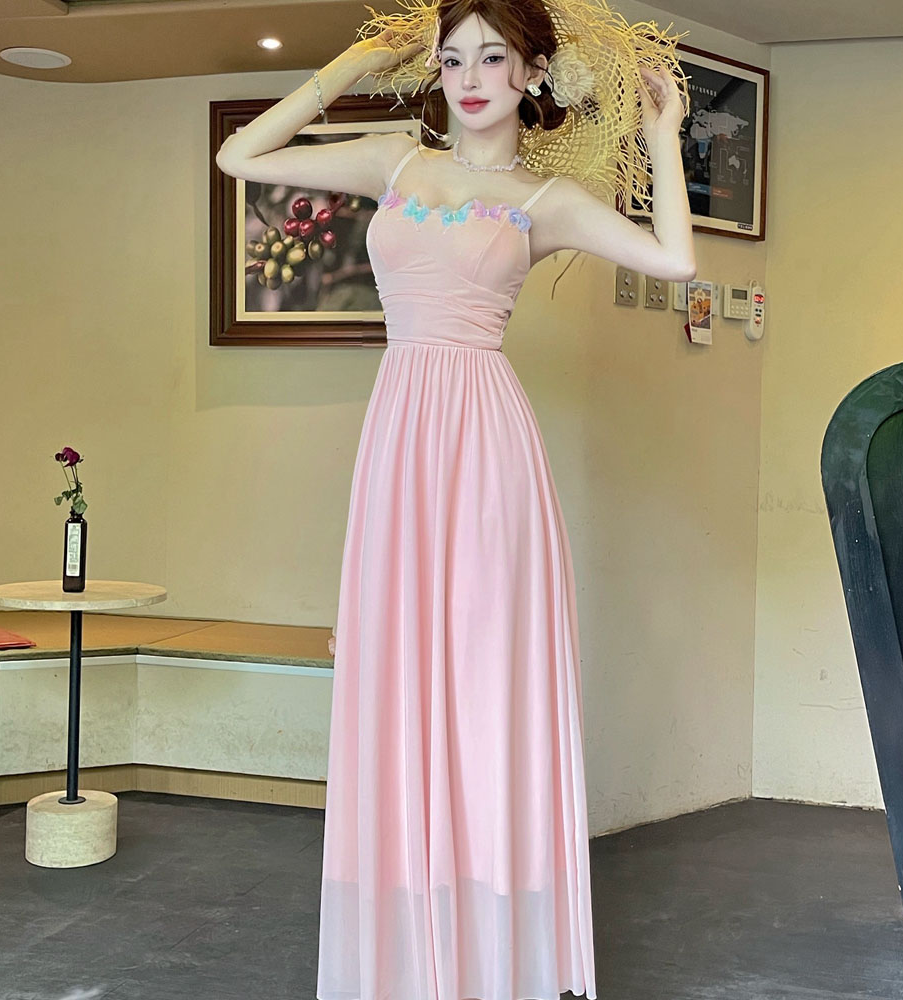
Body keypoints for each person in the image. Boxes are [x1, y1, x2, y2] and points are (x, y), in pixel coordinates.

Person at [216, 2, 695, 998]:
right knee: (398, 676)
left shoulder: (547, 200)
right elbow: (240, 157)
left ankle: (492, 952)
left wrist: (661, 134)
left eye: (492, 56)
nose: (470, 77)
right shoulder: (395, 161)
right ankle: (410, 949)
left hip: (487, 450)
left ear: (532, 73)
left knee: (482, 680)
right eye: (452, 58)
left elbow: (675, 262)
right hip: (399, 442)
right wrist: (355, 60)